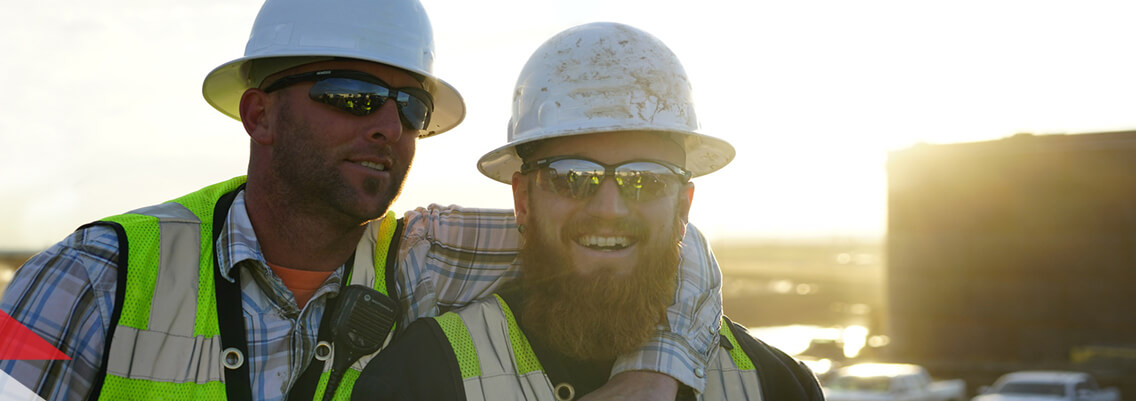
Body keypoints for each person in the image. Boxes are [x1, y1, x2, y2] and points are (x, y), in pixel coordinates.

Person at [0, 0, 726, 401]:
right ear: (259, 113)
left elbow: (648, 234)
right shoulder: (94, 278)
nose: (387, 127)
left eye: (410, 107)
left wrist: (655, 375)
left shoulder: (423, 258)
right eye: (350, 95)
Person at [352, 22, 824, 401]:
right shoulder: (422, 378)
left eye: (647, 179)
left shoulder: (777, 385)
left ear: (683, 207)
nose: (609, 209)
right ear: (522, 201)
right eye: (571, 176)